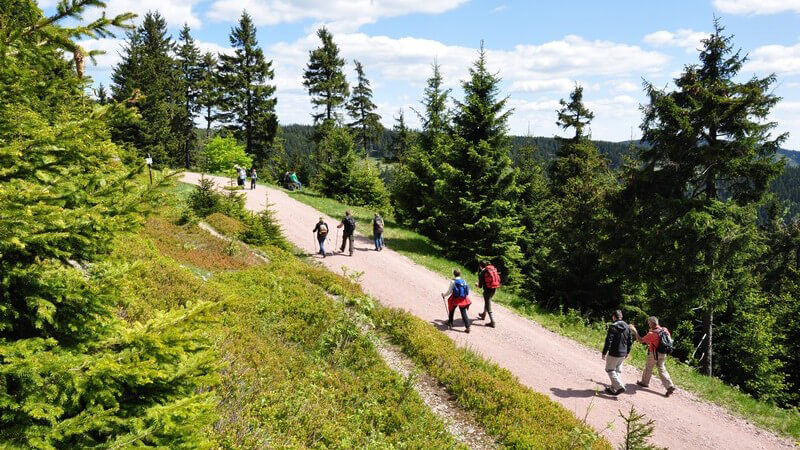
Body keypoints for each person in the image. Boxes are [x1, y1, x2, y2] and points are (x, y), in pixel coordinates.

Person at [633, 316, 676, 397]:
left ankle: (644, 382)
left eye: (649, 323)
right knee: (662, 368)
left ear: (652, 323)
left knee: (649, 367)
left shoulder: (652, 334)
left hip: (654, 353)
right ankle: (670, 385)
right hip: (664, 353)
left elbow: (641, 340)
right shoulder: (665, 330)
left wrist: (635, 332)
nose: (648, 324)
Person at [601, 309, 633, 395]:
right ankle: (613, 388)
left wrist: (604, 352)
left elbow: (608, 340)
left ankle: (619, 387)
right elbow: (630, 341)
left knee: (610, 369)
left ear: (613, 317)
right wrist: (627, 352)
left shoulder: (613, 326)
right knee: (617, 371)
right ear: (621, 317)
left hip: (614, 352)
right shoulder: (627, 327)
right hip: (623, 353)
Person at [476, 261, 500, 328]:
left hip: (487, 291)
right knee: (487, 302)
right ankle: (483, 314)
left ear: (480, 266)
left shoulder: (482, 273)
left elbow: (480, 286)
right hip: (494, 289)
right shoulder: (490, 270)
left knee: (488, 305)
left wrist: (477, 284)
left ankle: (492, 322)